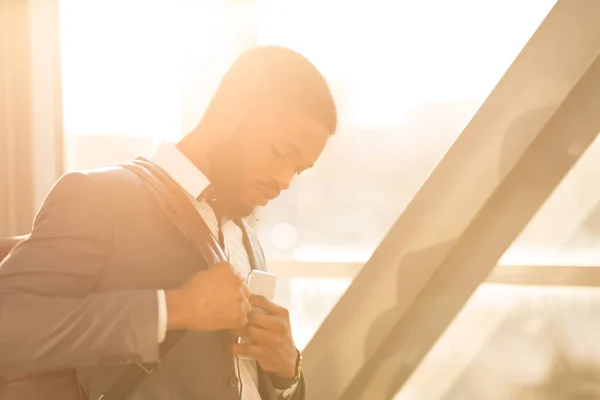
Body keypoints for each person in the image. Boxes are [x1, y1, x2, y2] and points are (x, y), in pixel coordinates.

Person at [0, 45, 337, 400]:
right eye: (280, 152)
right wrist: (175, 308)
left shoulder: (246, 238)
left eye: (298, 169)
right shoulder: (100, 197)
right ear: (231, 115)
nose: (285, 180)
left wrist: (286, 372)